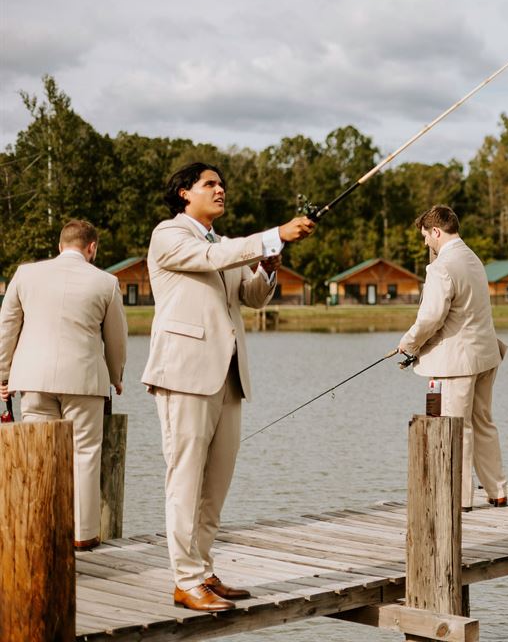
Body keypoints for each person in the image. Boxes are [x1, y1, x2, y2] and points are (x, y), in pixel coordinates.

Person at [141, 161, 315, 611]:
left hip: (230, 376)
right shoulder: (168, 235)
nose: (220, 190)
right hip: (184, 374)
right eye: (210, 184)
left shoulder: (223, 244)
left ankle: (202, 569)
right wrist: (274, 234)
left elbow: (251, 298)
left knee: (215, 483)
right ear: (185, 193)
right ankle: (185, 581)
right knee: (185, 480)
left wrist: (267, 269)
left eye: (221, 185)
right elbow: (209, 260)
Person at [0, 220, 127, 550]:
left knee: (39, 455)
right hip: (84, 380)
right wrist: (116, 375)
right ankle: (83, 536)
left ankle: (40, 531)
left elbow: (7, 327)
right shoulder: (106, 282)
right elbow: (116, 338)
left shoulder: (25, 275)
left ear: (60, 246)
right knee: (84, 454)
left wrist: (3, 375)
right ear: (92, 248)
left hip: (34, 379)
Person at [398, 205, 508, 511]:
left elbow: (432, 317)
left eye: (425, 236)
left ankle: (459, 499)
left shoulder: (441, 267)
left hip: (457, 363)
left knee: (456, 427)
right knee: (483, 422)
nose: (425, 242)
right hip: (485, 355)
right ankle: (497, 490)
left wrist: (408, 343)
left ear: (436, 231)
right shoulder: (473, 258)